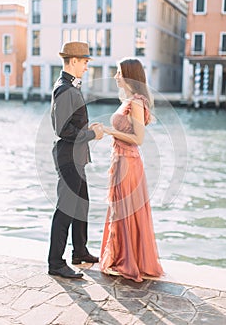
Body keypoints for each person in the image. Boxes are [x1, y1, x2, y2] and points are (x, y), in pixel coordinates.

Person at [99, 57, 163, 282]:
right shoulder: (128, 100)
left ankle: (129, 260)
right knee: (121, 208)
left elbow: (138, 138)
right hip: (120, 160)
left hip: (129, 162)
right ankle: (122, 257)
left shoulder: (136, 102)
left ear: (128, 75)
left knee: (125, 209)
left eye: (118, 72)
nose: (116, 76)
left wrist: (108, 131)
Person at [48, 41, 103, 279]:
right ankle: (55, 263)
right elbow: (62, 129)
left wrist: (87, 128)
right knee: (66, 209)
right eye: (84, 62)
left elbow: (71, 124)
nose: (86, 67)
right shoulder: (65, 89)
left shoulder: (70, 87)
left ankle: (79, 252)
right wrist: (92, 134)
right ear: (72, 61)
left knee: (81, 206)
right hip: (69, 158)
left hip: (77, 157)